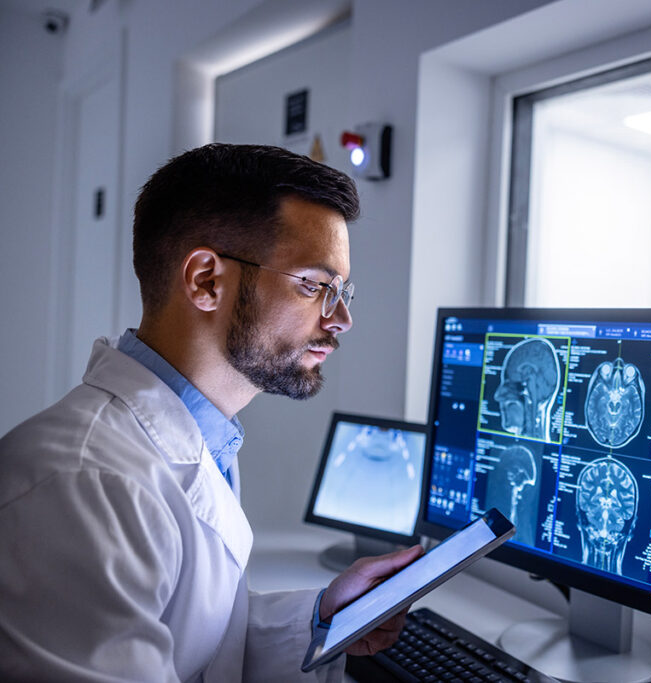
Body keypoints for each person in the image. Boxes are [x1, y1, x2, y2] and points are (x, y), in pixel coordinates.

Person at [0, 144, 423, 681]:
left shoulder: (201, 439)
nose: (340, 318)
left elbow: (195, 645)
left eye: (342, 291)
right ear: (206, 281)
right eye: (314, 285)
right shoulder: (83, 486)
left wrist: (321, 619)